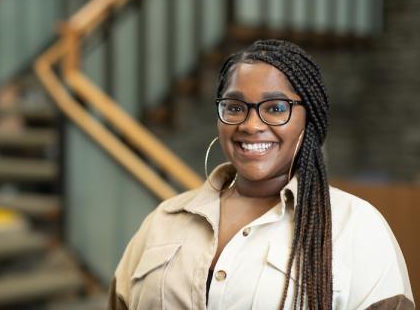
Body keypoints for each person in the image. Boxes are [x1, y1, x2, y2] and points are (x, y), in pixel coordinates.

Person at [107, 39, 414, 309]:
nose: (251, 125)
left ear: (310, 119)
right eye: (235, 106)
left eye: (276, 108)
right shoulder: (164, 219)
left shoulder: (356, 226)